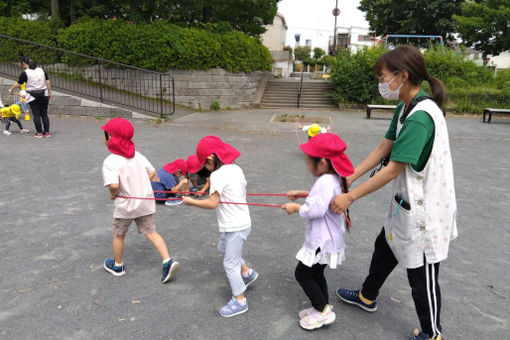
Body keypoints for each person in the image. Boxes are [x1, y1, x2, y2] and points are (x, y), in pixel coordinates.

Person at [331, 45, 457, 340]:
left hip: (425, 211)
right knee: (384, 247)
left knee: (421, 276)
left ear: (403, 75)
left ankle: (432, 333)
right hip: (406, 203)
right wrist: (350, 177)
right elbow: (383, 149)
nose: (380, 82)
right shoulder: (404, 107)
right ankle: (367, 296)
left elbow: (393, 168)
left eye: (383, 76)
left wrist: (351, 196)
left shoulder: (420, 116)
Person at [282, 133, 354, 330]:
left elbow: (315, 209)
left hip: (322, 239)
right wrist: (302, 193)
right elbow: (323, 198)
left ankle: (322, 311)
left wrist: (295, 208)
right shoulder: (335, 177)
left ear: (322, 163)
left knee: (303, 274)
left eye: (308, 162)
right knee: (316, 272)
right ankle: (321, 307)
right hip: (330, 239)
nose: (307, 166)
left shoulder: (324, 181)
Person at [182, 136, 258, 318]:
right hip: (240, 223)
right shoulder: (237, 169)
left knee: (230, 263)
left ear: (210, 159)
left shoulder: (217, 175)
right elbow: (242, 190)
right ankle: (247, 273)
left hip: (235, 226)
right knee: (223, 248)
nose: (204, 169)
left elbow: (212, 203)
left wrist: (192, 202)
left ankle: (240, 301)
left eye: (204, 165)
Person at [101, 117, 180, 283]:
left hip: (125, 206)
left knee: (119, 234)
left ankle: (118, 265)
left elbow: (114, 186)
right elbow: (152, 173)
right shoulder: (138, 156)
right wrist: (139, 181)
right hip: (145, 202)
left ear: (110, 138)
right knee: (151, 232)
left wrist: (113, 194)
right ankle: (167, 261)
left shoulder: (110, 162)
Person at [9, 56, 52, 138]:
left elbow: (18, 83)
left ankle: (39, 133)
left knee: (36, 114)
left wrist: (11, 89)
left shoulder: (25, 73)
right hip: (44, 94)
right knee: (44, 114)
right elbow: (48, 83)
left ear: (24, 63)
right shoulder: (41, 70)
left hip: (32, 96)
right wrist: (49, 93)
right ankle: (47, 133)